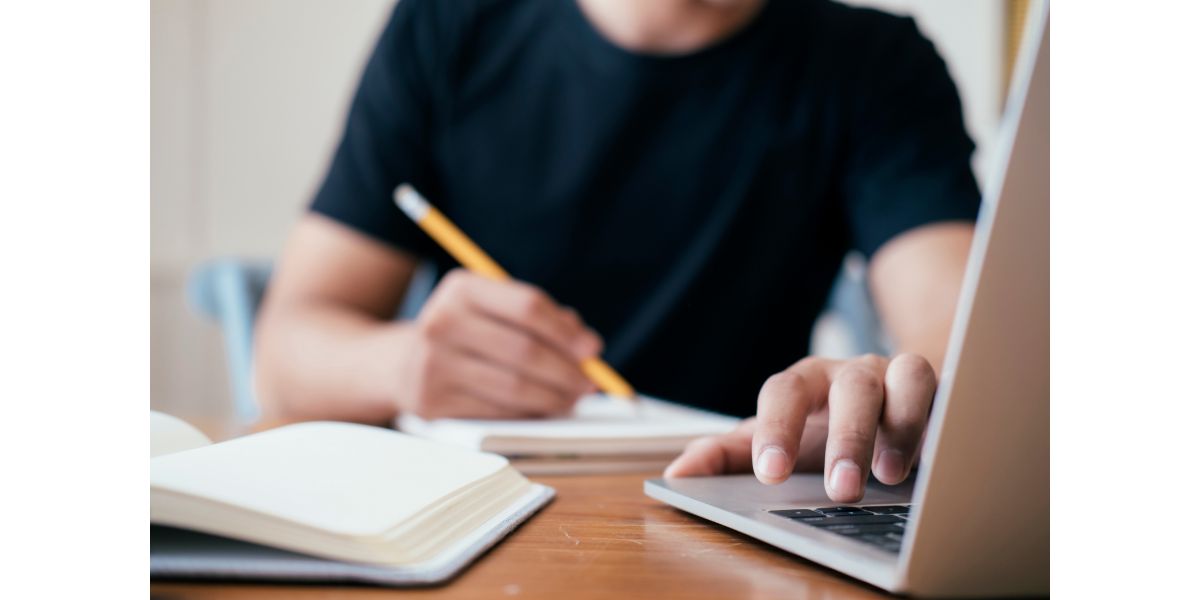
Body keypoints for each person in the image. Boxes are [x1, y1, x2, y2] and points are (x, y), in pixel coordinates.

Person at [255, 0, 979, 503]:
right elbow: (285, 352)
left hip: (726, 501)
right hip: (472, 505)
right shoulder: (449, 26)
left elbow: (961, 334)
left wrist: (886, 402)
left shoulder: (876, 65)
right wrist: (402, 363)